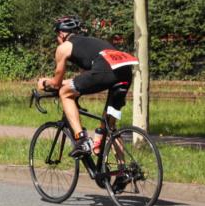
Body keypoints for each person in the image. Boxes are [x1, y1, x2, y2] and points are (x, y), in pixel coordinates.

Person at [35, 16, 138, 158]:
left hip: (105, 69)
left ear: (61, 34)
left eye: (56, 36)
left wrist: (45, 83)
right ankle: (123, 172)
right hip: (125, 71)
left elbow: (56, 84)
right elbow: (87, 77)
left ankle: (82, 139)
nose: (57, 40)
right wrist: (66, 82)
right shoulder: (92, 43)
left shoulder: (63, 48)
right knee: (109, 128)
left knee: (65, 93)